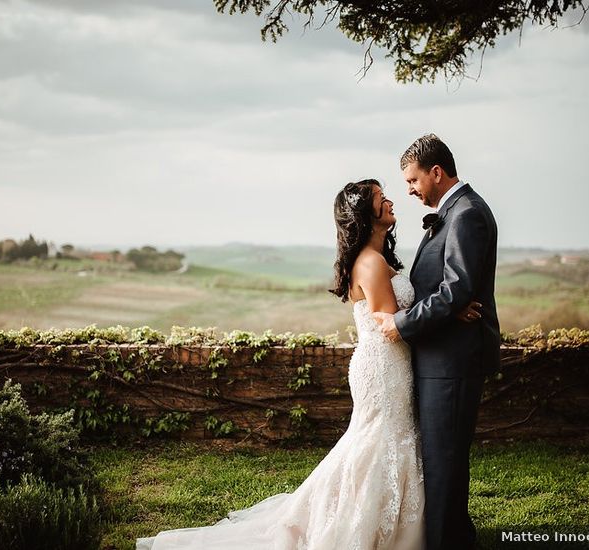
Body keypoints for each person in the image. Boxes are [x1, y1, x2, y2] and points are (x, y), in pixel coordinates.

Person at [136, 178, 481, 549]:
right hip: (383, 367)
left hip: (390, 366)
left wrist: (442, 308)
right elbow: (393, 328)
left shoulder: (378, 259)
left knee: (382, 441)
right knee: (378, 443)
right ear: (366, 213)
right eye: (382, 199)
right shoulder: (371, 264)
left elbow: (402, 316)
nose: (391, 201)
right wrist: (449, 312)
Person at [374, 134, 501, 550]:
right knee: (440, 460)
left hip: (453, 361)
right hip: (441, 358)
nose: (409, 190)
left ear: (436, 172)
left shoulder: (466, 215)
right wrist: (452, 301)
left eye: (412, 180)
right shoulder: (452, 213)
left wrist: (402, 324)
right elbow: (451, 292)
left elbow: (457, 289)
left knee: (444, 463)